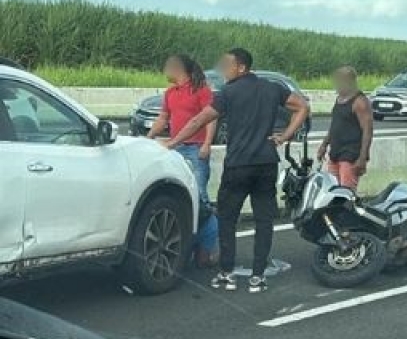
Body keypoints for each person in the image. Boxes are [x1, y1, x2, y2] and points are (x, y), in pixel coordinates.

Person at [168, 47, 309, 294]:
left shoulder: (228, 92)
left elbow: (199, 120)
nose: (223, 70)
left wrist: (172, 142)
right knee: (264, 221)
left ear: (241, 67)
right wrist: (286, 135)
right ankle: (258, 276)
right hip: (267, 164)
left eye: (227, 65)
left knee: (228, 219)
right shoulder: (271, 88)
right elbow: (302, 106)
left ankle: (227, 273)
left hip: (238, 165)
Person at [146, 54, 215, 207]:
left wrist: (207, 143)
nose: (165, 72)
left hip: (196, 148)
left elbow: (211, 117)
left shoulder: (201, 90)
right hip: (174, 148)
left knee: (199, 191)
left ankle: (208, 227)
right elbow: (163, 118)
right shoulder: (170, 93)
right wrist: (149, 137)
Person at [316, 66, 373, 191]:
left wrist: (362, 158)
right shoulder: (340, 99)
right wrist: (324, 145)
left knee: (345, 194)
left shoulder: (360, 102)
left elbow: (367, 131)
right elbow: (335, 126)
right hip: (335, 154)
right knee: (331, 192)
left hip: (350, 155)